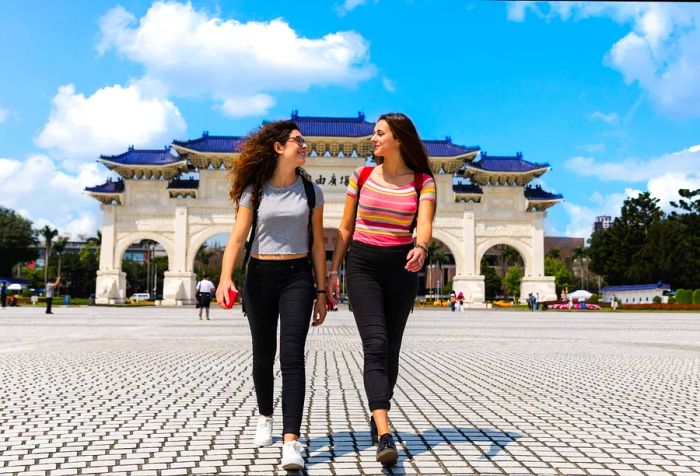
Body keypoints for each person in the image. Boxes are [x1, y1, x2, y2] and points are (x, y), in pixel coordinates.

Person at [215, 120, 327, 471]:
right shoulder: (254, 190)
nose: (305, 146)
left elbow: (318, 244)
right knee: (263, 356)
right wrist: (224, 279)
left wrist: (321, 290)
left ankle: (291, 441)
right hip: (259, 278)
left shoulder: (312, 192)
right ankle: (265, 417)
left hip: (298, 277)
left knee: (292, 357)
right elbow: (236, 238)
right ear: (279, 147)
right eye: (298, 141)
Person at [326, 113, 436, 467]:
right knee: (375, 344)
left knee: (391, 350)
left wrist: (421, 247)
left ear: (398, 139)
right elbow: (344, 227)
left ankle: (376, 416)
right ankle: (385, 430)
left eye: (379, 134)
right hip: (363, 265)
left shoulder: (423, 181)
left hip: (401, 269)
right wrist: (333, 271)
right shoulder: (361, 175)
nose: (373, 139)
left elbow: (425, 223)